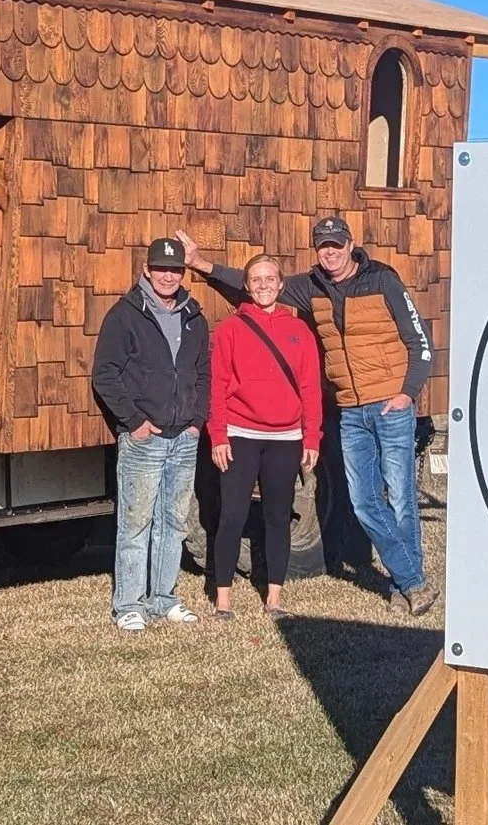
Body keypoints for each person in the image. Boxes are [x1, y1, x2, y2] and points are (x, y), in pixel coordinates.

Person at [175, 218, 439, 616]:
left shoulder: (383, 280)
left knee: (400, 497)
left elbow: (420, 342)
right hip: (350, 409)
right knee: (364, 502)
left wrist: (407, 393)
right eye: (323, 245)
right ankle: (411, 581)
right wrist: (201, 265)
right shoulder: (312, 286)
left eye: (336, 244)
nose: (329, 252)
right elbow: (252, 284)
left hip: (390, 404)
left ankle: (409, 584)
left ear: (351, 244)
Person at [90, 237, 210, 632]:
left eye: (175, 270)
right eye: (161, 268)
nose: (168, 276)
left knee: (174, 523)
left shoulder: (194, 316)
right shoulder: (125, 315)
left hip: (183, 437)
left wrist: (196, 421)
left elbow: (203, 373)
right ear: (146, 269)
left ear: (183, 273)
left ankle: (164, 598)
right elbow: (105, 374)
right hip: (145, 438)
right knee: (136, 522)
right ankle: (129, 604)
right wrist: (134, 421)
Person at [206, 255, 324, 620]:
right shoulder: (230, 329)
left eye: (269, 278)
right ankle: (223, 602)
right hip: (240, 434)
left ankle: (274, 598)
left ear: (281, 284)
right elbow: (217, 386)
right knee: (232, 515)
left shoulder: (299, 330)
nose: (263, 285)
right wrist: (218, 435)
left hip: (285, 438)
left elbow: (311, 388)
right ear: (246, 285)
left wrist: (312, 438)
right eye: (256, 279)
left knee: (277, 516)